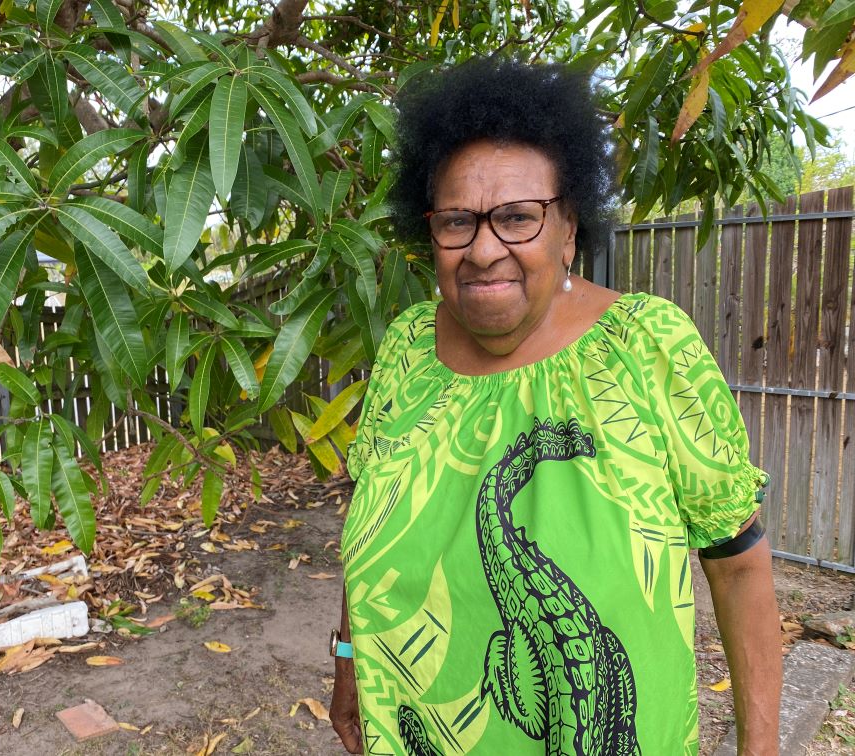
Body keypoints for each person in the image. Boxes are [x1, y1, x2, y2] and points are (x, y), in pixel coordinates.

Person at [328, 57, 781, 755]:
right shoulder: (407, 351)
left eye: (517, 217)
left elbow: (739, 564)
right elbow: (372, 524)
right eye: (458, 220)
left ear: (569, 227)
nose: (484, 250)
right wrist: (349, 660)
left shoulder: (648, 346)